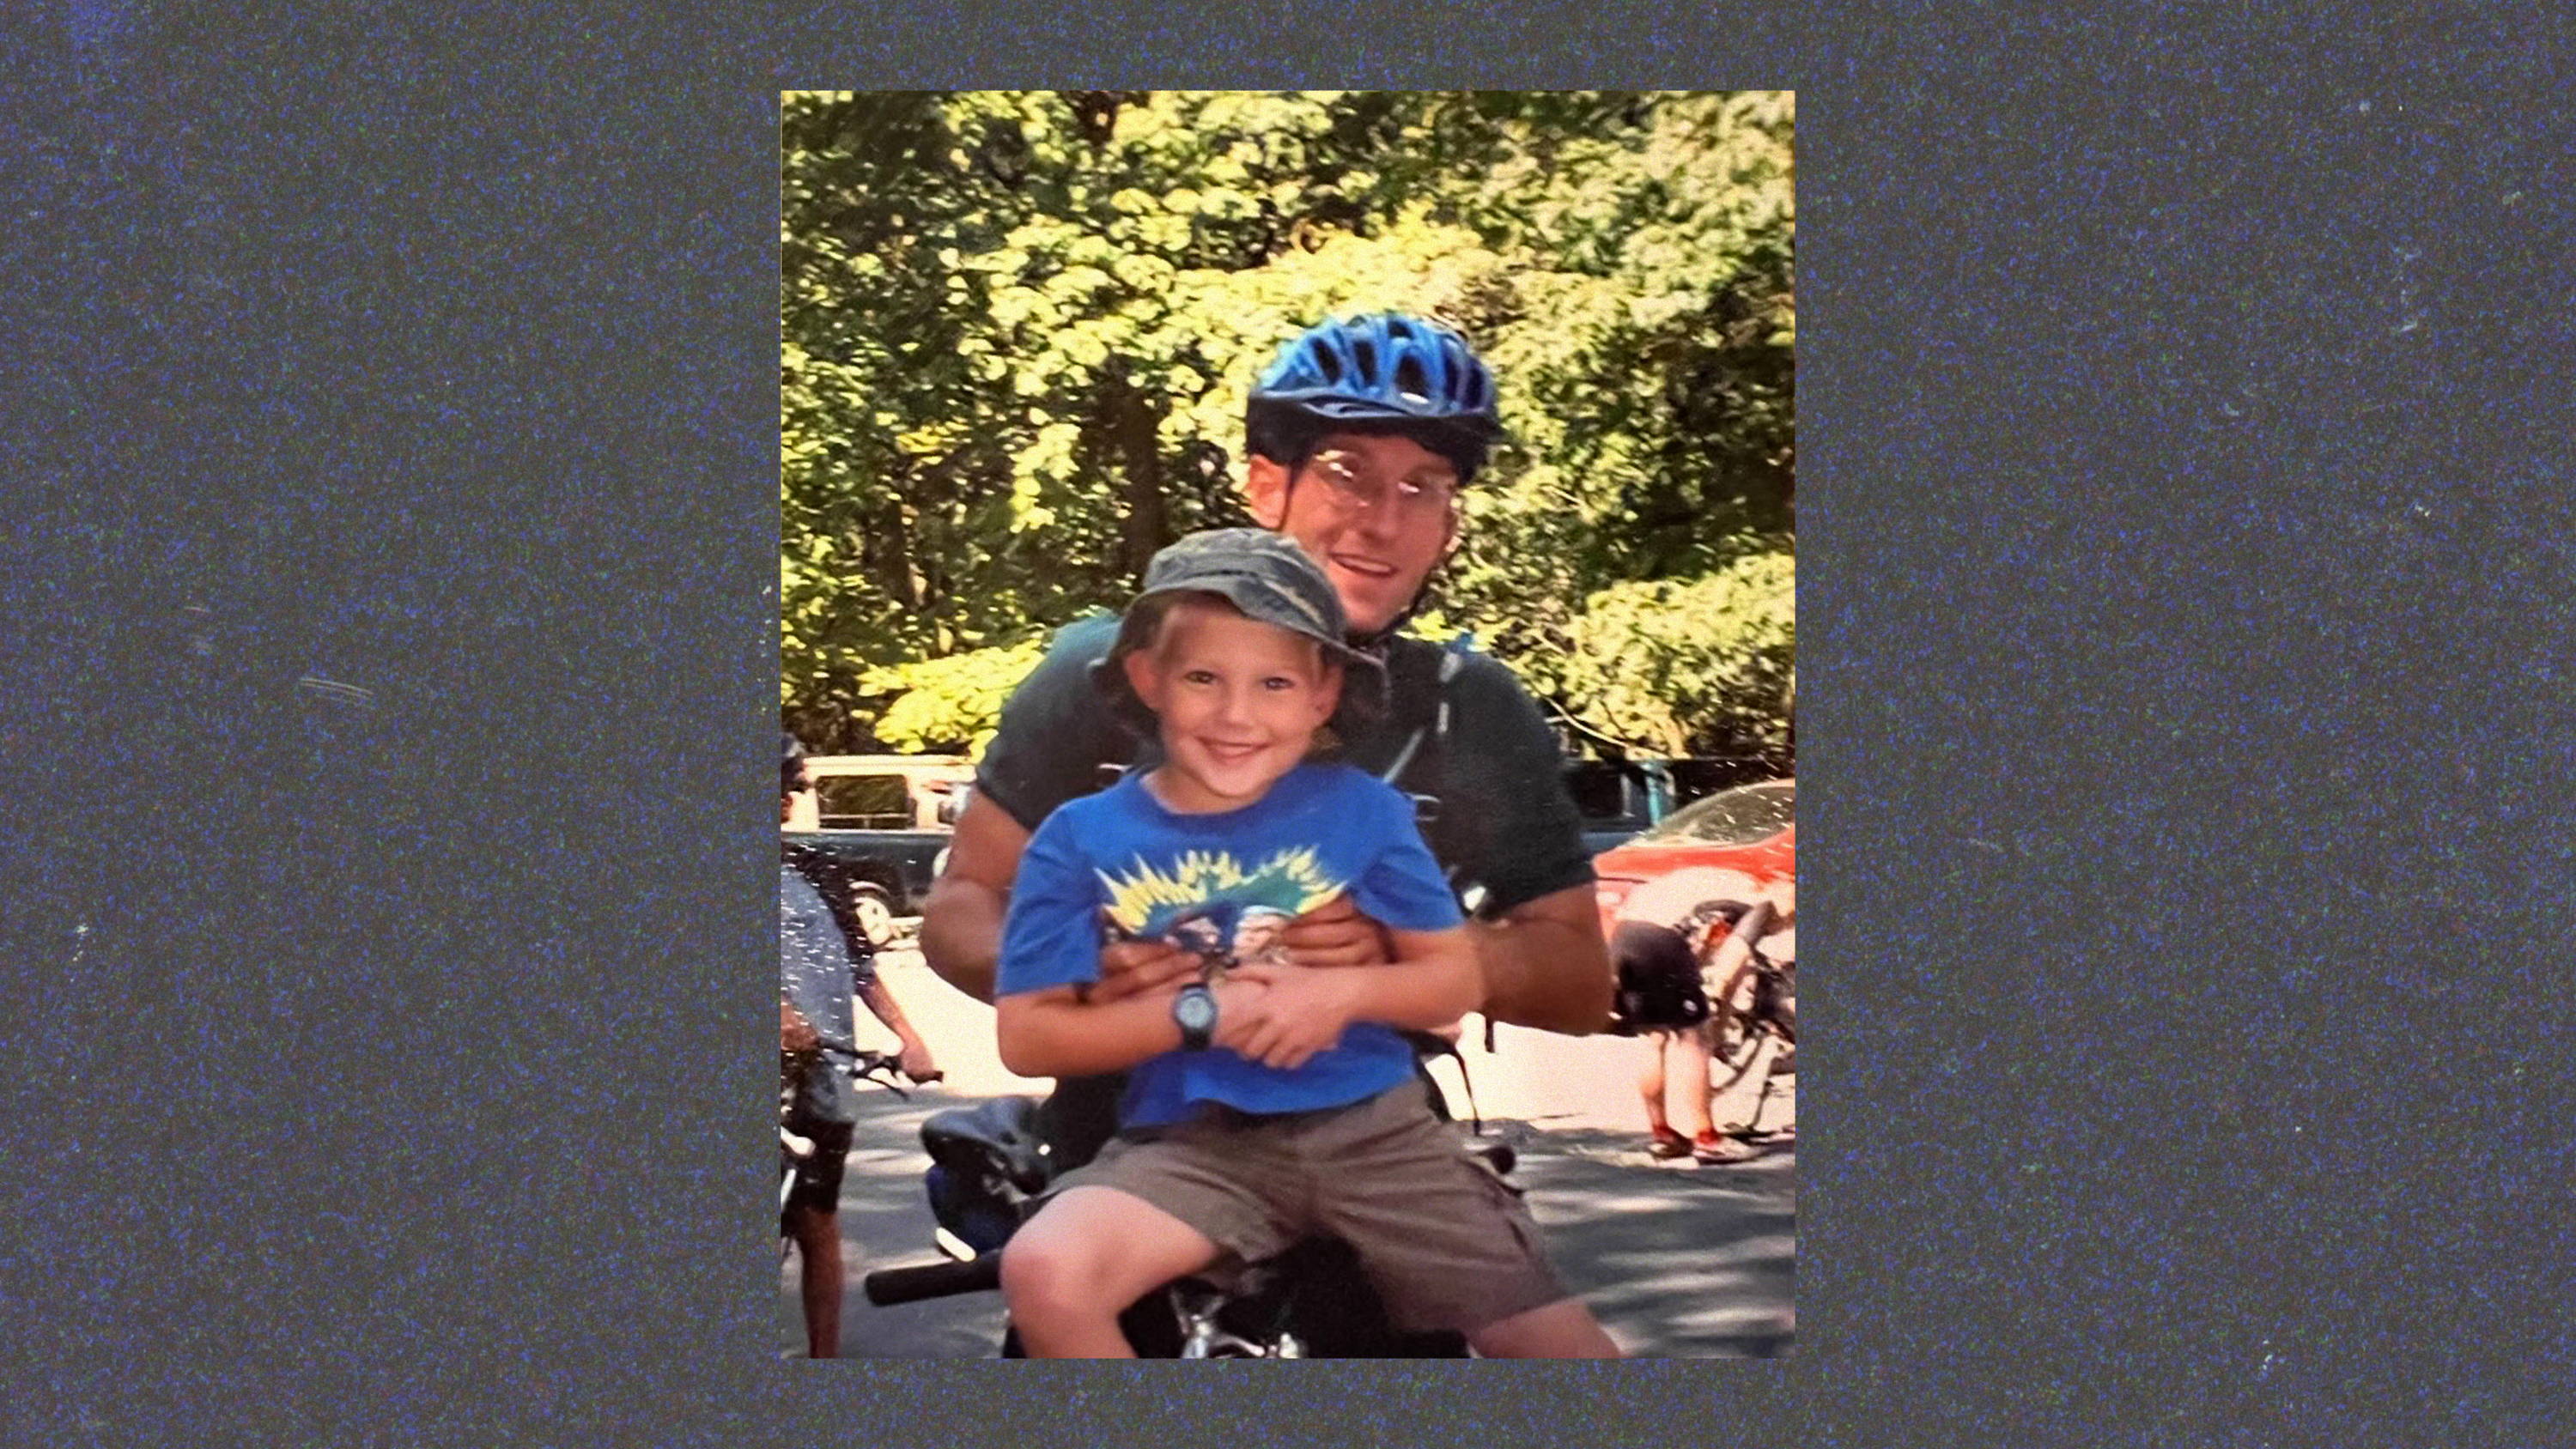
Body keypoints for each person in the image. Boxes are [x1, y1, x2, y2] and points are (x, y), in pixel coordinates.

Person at [923, 312, 1615, 1169]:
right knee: (1065, 1287)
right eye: (1347, 473)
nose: (1382, 521)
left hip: (1372, 1147)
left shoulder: (1471, 707)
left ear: (1449, 522)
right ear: (1265, 486)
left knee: (1491, 1297)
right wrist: (1074, 973)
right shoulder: (1107, 671)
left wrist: (1418, 946)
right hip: (1123, 1145)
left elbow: (1583, 981)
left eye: (1421, 486)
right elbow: (963, 902)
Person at [988, 530, 1620, 1358]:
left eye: (1275, 682)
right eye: (1203, 677)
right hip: (1189, 1147)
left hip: (1377, 1137)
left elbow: (1449, 981)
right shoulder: (1080, 838)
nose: (1237, 713)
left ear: (1323, 694)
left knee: (1557, 1347)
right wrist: (1197, 1012)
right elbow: (1029, 1035)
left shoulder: (1364, 813)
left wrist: (1343, 994)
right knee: (1043, 1269)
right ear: (1148, 680)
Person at [778, 732, 939, 1357]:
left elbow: (862, 968)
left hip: (819, 1076)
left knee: (818, 1222)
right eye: (786, 784)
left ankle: (825, 1360)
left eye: (793, 787)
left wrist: (910, 1038)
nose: (791, 799)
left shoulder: (816, 869)